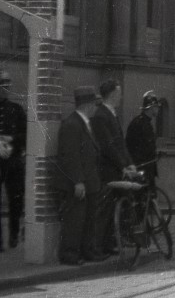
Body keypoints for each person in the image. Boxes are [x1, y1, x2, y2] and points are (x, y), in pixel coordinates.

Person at [54, 87, 106, 265]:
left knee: (88, 219)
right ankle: (70, 254)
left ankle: (87, 251)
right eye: (93, 104)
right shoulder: (72, 124)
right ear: (87, 105)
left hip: (89, 181)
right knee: (75, 220)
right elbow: (71, 156)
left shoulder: (83, 123)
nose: (95, 108)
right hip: (79, 183)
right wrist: (78, 181)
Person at [91, 79, 137, 255]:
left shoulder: (111, 114)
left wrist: (130, 163)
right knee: (105, 209)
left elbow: (120, 143)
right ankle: (99, 245)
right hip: (107, 169)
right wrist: (122, 166)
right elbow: (108, 146)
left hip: (117, 168)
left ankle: (110, 242)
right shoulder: (101, 115)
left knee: (116, 207)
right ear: (112, 95)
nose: (121, 96)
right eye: (119, 93)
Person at [0, 70, 26, 251]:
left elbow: (26, 134)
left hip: (13, 163)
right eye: (1, 84)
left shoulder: (16, 109)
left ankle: (13, 236)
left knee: (16, 202)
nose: (5, 88)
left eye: (7, 85)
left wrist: (11, 140)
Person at [125, 91, 161, 186]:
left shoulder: (145, 123)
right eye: (156, 107)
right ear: (151, 108)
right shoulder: (140, 123)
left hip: (146, 167)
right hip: (142, 167)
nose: (158, 109)